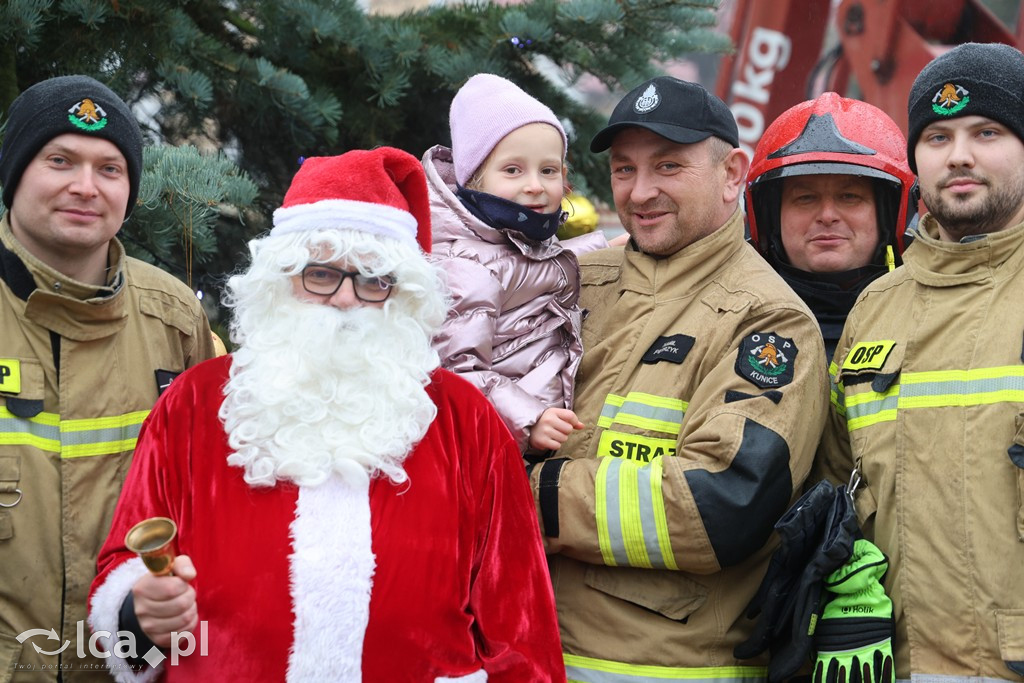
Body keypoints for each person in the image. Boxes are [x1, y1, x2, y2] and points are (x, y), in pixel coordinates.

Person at [88, 147, 565, 681]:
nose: (344, 299)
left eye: (372, 279)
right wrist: (139, 619)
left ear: (401, 296)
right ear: (280, 281)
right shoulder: (195, 404)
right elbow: (128, 592)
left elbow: (520, 620)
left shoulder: (464, 419)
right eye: (320, 275)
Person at [528, 76, 829, 680]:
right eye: (623, 169)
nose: (640, 192)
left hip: (656, 666)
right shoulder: (576, 279)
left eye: (668, 166)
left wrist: (532, 497)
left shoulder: (768, 319)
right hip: (525, 645)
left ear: (732, 173)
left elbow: (720, 506)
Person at [817, 42, 1024, 680]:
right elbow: (836, 483)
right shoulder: (876, 310)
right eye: (936, 137)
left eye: (986, 131)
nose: (958, 155)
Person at [0, 75, 215, 679]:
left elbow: (205, 504)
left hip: (133, 666)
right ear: (16, 173)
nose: (85, 187)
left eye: (110, 168)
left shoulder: (175, 320)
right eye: (60, 160)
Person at [422, 73, 609, 454]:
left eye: (548, 170)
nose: (535, 185)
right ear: (474, 179)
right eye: (513, 170)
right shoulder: (466, 264)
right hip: (497, 445)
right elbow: (454, 371)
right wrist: (529, 418)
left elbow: (537, 266)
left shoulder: (507, 237)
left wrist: (608, 248)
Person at [746, 92, 916, 360]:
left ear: (889, 215)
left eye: (850, 197)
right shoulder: (726, 321)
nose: (827, 215)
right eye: (805, 198)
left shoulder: (930, 321)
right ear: (770, 217)